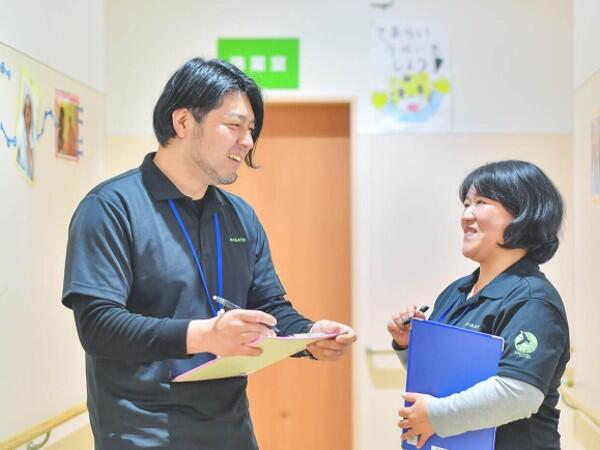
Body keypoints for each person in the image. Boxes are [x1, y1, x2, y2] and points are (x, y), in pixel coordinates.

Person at [62, 57, 356, 450]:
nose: (247, 141)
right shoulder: (112, 207)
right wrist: (205, 335)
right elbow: (98, 327)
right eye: (234, 125)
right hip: (142, 433)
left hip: (231, 432)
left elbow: (270, 305)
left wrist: (309, 336)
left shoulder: (239, 216)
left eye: (251, 130)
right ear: (182, 122)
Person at [387, 160, 569, 450]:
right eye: (466, 204)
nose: (466, 216)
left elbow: (518, 394)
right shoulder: (456, 291)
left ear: (523, 214)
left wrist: (434, 416)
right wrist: (409, 347)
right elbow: (445, 376)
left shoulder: (533, 301)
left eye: (481, 202)